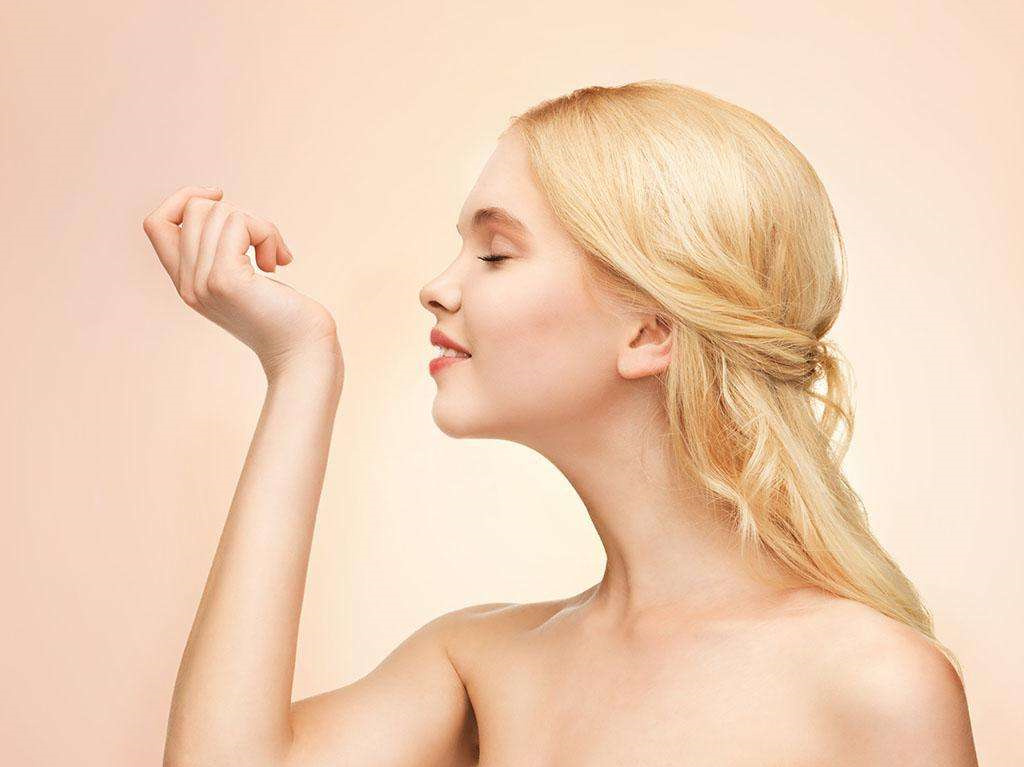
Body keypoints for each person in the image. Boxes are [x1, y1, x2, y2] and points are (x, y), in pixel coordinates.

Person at [146, 80, 978, 767]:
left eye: (496, 253)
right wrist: (300, 365)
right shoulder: (482, 665)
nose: (437, 287)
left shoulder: (874, 684)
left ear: (649, 331)